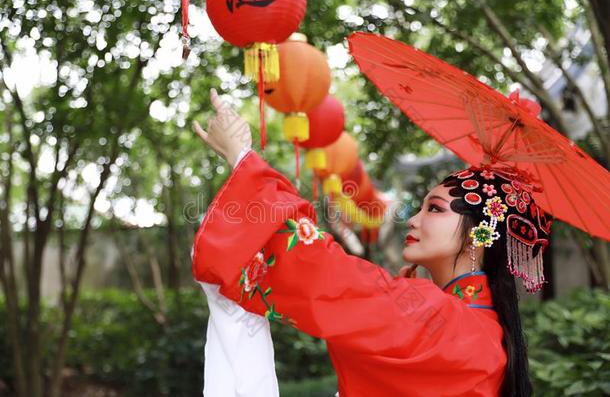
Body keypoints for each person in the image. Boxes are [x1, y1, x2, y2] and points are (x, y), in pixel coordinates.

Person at [192, 88, 552, 396]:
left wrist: (241, 155)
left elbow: (325, 274)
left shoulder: (441, 319)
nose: (412, 219)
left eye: (435, 209)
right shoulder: (484, 331)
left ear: (478, 235)